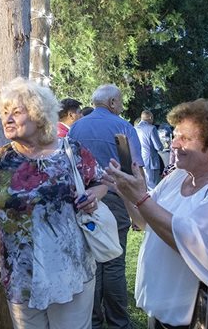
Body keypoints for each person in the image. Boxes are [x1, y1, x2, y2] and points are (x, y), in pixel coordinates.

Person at [104, 99, 208, 328]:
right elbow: (145, 221)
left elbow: (191, 240)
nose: (173, 144)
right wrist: (125, 192)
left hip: (196, 317)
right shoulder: (177, 177)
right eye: (174, 135)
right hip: (161, 309)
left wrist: (140, 197)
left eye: (185, 138)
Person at [0, 77, 107, 329]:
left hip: (70, 270)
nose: (7, 119)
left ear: (38, 114)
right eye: (4, 113)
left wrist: (93, 196)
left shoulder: (71, 152)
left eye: (16, 112)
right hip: (21, 275)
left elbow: (100, 182)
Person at [70, 83, 143, 329]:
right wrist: (137, 209)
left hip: (83, 200)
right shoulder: (123, 127)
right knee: (113, 260)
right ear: (112, 103)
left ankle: (92, 320)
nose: (121, 107)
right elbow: (134, 170)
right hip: (115, 197)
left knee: (91, 260)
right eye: (120, 102)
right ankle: (118, 322)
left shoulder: (75, 127)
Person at [135, 111, 164, 190]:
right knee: (153, 186)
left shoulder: (135, 128)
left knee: (145, 186)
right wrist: (163, 146)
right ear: (150, 118)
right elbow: (158, 146)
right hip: (151, 161)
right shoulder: (151, 128)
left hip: (138, 160)